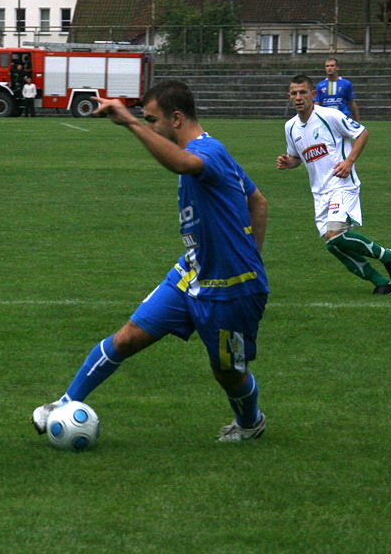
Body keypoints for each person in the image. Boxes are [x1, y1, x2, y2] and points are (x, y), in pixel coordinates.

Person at [32, 80, 271, 443]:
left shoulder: (209, 151)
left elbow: (187, 166)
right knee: (127, 338)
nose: (150, 125)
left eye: (153, 119)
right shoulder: (211, 152)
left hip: (229, 289)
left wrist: (131, 123)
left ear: (176, 118)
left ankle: (251, 423)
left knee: (227, 373)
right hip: (191, 271)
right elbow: (258, 202)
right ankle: (63, 402)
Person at [278, 74, 391, 295]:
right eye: (294, 93)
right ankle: (382, 283)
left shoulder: (330, 115)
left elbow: (362, 133)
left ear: (313, 94)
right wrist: (290, 162)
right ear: (289, 97)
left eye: (303, 92)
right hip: (319, 193)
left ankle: (388, 255)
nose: (298, 97)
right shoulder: (290, 127)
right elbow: (296, 157)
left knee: (336, 236)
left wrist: (349, 161)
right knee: (333, 245)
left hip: (342, 184)